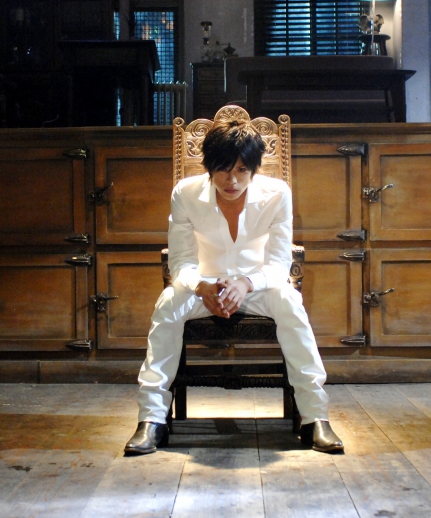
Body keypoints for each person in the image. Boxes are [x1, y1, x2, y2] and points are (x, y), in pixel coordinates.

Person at [124, 113, 343, 455]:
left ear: (254, 169)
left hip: (257, 286)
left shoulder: (277, 194)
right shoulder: (185, 193)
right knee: (167, 304)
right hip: (203, 286)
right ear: (209, 167)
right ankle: (151, 419)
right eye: (224, 169)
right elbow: (180, 261)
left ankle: (315, 418)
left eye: (242, 170)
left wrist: (246, 283)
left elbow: (279, 264)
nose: (232, 180)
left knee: (290, 302)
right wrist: (201, 287)